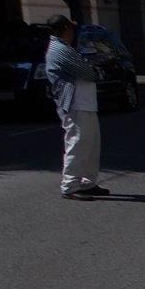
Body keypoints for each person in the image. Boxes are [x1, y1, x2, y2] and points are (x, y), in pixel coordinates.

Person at [43, 14, 107, 200]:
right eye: (70, 28)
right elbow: (88, 72)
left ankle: (88, 182)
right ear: (64, 29)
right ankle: (70, 185)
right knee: (77, 143)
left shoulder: (65, 48)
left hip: (85, 103)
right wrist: (95, 70)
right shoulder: (59, 49)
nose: (73, 32)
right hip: (75, 104)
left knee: (91, 144)